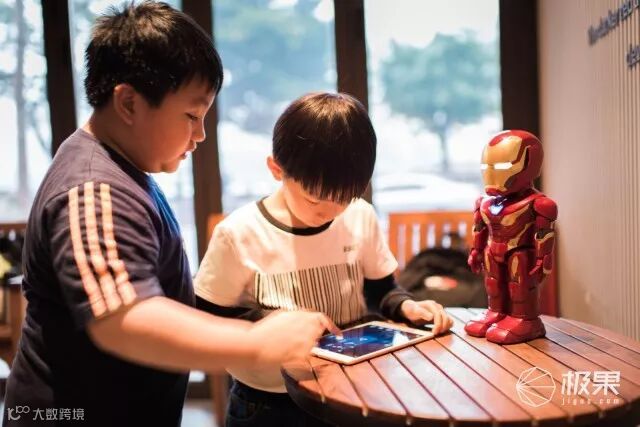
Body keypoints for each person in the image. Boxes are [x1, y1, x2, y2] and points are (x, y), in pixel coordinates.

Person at [3, 3, 337, 426]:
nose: (200, 134)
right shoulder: (91, 188)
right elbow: (123, 318)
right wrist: (256, 342)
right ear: (129, 103)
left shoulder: (122, 169)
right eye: (192, 116)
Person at [195, 92, 455, 427]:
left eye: (343, 199)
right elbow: (207, 318)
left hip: (352, 390)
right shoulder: (239, 233)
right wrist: (270, 322)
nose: (329, 212)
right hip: (268, 401)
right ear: (276, 169)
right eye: (314, 199)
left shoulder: (360, 216)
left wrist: (406, 307)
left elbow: (380, 291)